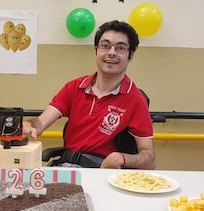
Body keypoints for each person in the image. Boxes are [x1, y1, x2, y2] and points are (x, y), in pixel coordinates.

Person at [23, 20, 155, 169]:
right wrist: (29, 125)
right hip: (65, 166)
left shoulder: (135, 99)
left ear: (130, 56)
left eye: (120, 48)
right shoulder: (74, 87)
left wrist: (122, 159)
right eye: (105, 46)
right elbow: (40, 123)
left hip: (102, 172)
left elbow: (149, 159)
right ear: (96, 51)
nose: (111, 52)